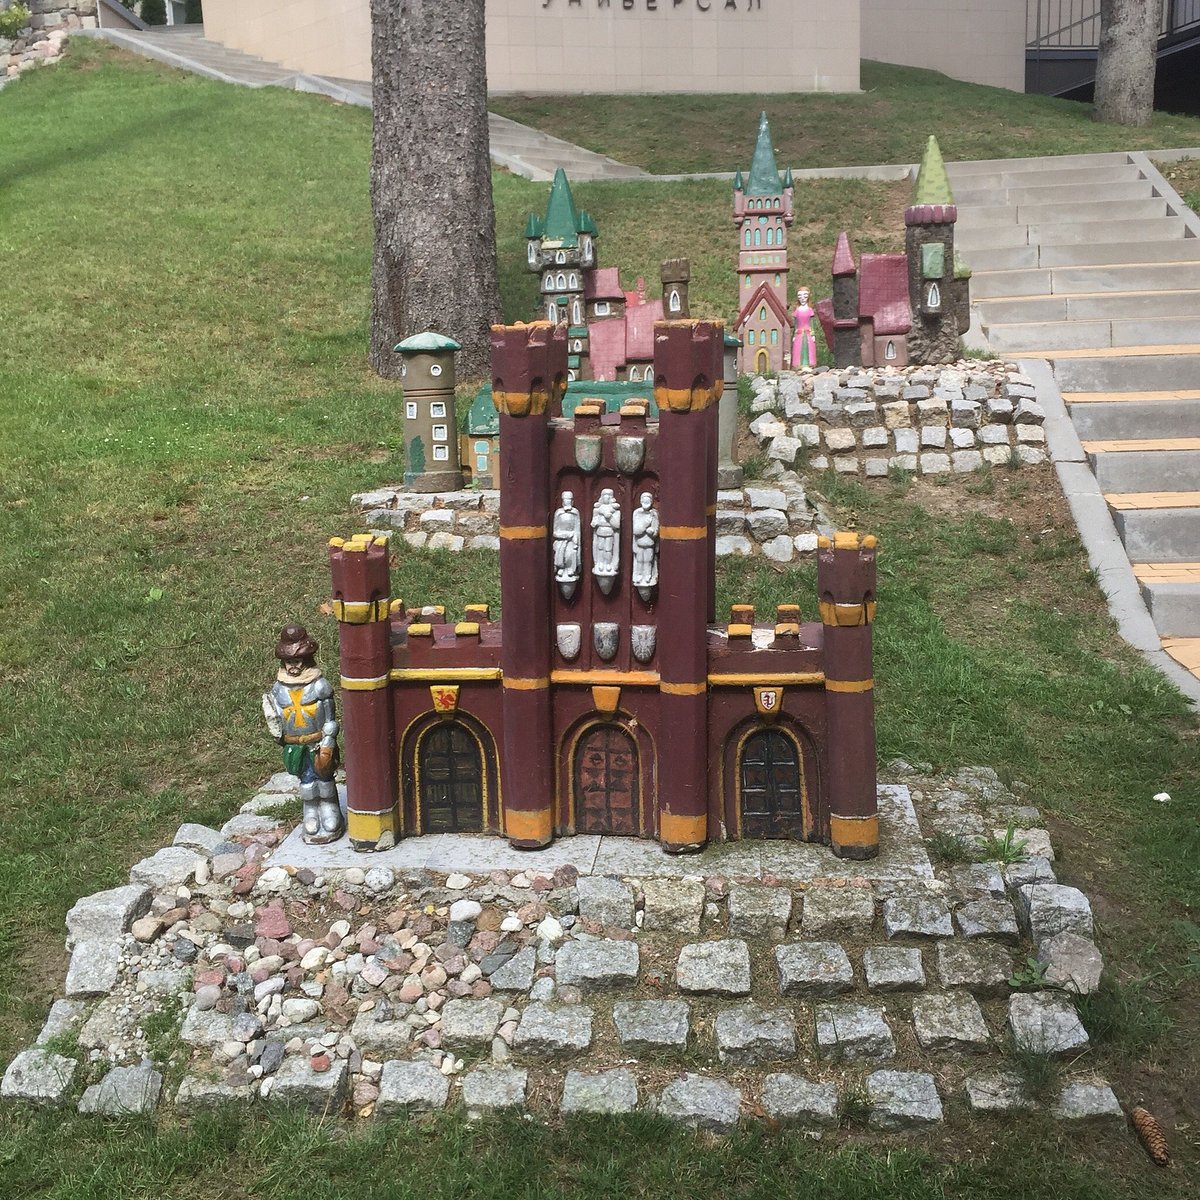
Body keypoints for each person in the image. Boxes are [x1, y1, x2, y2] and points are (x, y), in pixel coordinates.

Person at [262, 624, 343, 844]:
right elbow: (277, 716)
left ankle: (329, 808)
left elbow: (330, 718)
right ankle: (310, 810)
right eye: (289, 662)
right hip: (295, 744)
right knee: (306, 780)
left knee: (324, 777)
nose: (293, 666)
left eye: (298, 661)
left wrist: (328, 741)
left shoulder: (320, 686)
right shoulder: (279, 689)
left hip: (317, 742)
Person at [552, 491, 582, 592]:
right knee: (561, 554)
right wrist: (565, 535)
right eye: (566, 500)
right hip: (562, 540)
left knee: (571, 554)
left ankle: (571, 569)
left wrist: (575, 539)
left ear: (572, 502)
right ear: (562, 502)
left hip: (572, 541)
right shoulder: (558, 513)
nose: (567, 502)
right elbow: (555, 532)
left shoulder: (575, 513)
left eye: (569, 500)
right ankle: (561, 568)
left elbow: (577, 529)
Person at [631, 492, 659, 589]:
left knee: (648, 560)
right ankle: (639, 574)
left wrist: (652, 532)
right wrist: (645, 525)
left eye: (648, 501)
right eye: (644, 501)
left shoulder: (654, 514)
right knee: (640, 560)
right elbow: (636, 531)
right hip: (640, 543)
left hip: (649, 543)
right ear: (641, 501)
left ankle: (647, 574)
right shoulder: (637, 513)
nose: (646, 503)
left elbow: (656, 531)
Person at [791, 286, 817, 369]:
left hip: (808, 333)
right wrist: (794, 335)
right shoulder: (797, 310)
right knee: (798, 348)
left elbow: (811, 323)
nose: (802, 298)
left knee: (808, 348)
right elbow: (796, 324)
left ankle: (810, 363)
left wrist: (813, 334)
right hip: (799, 333)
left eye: (805, 296)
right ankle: (798, 364)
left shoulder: (809, 310)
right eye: (800, 296)